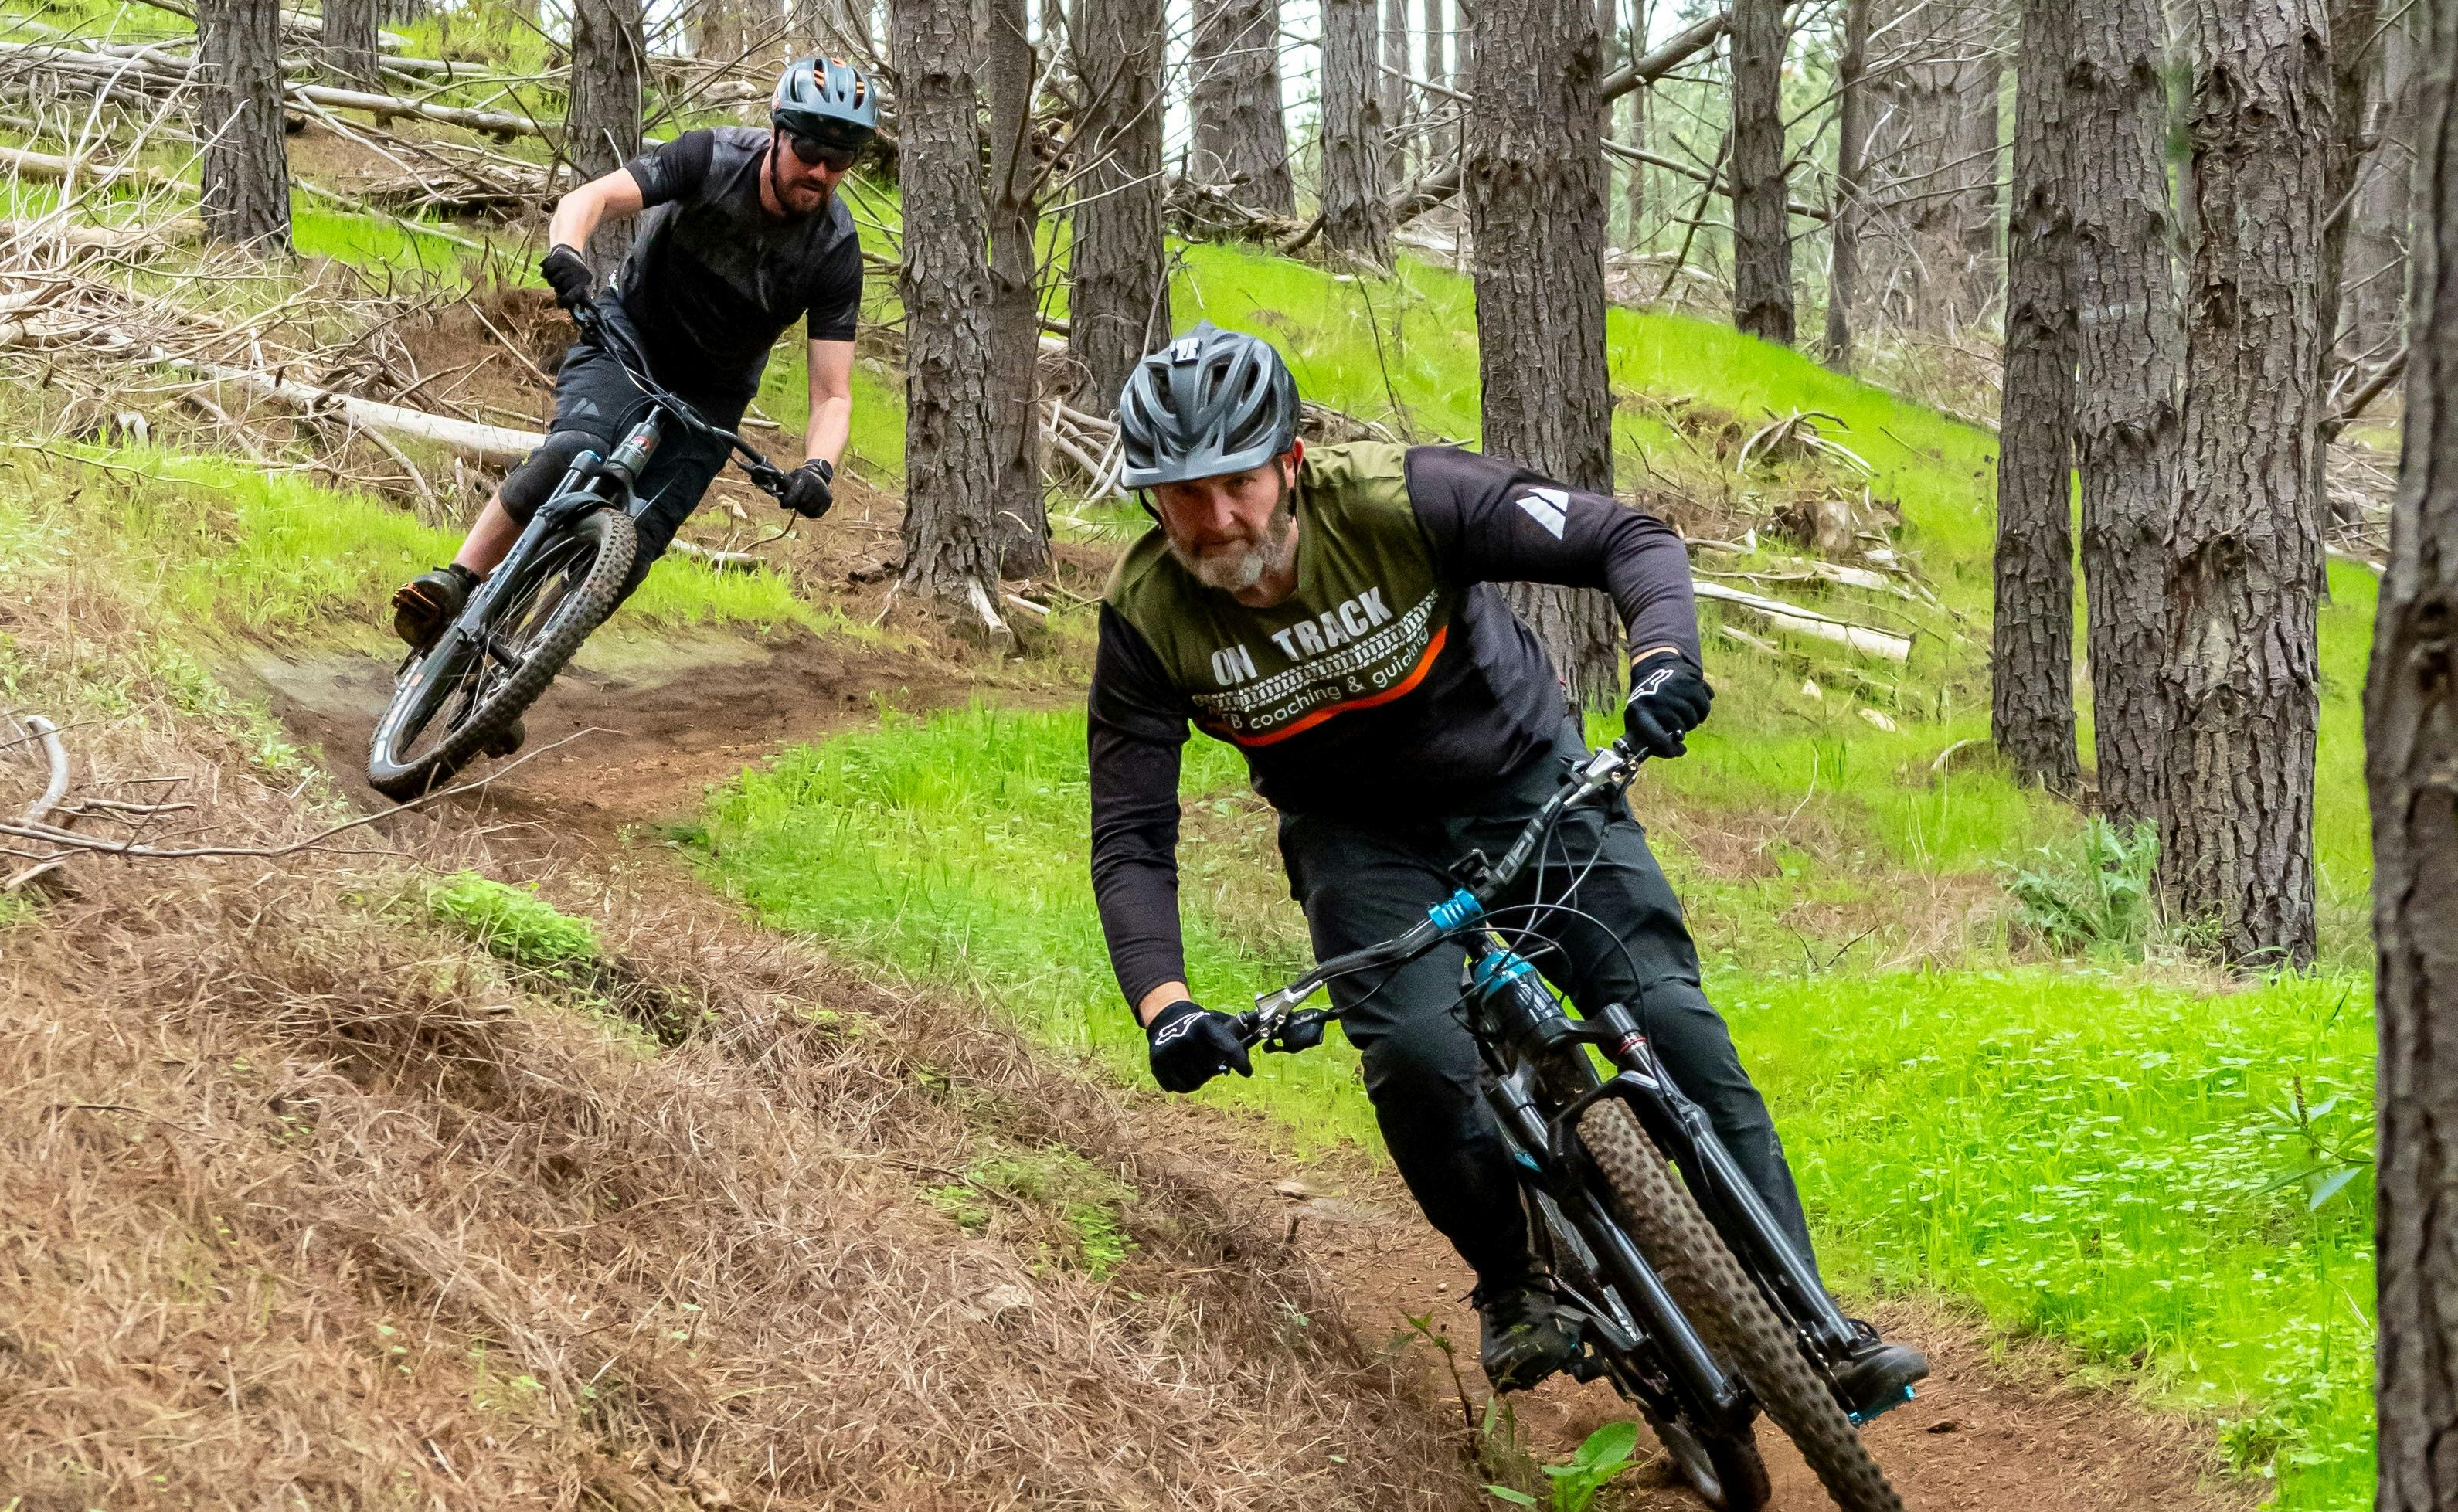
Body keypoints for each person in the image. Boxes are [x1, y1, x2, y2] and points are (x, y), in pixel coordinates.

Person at [1085, 322, 1928, 1411]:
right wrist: (1166, 1006)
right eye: (1180, 495)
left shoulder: (1405, 499)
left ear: (1289, 460)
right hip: (1357, 835)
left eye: (1236, 482)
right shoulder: (1149, 618)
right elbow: (1132, 835)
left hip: (1522, 777)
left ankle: (1813, 1319)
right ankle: (1514, 1279)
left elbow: (1627, 538)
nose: (1214, 520)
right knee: (1423, 1062)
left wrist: (1664, 659)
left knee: (1670, 1023)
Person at [389, 56, 875, 687]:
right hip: (630, 337)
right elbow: (590, 198)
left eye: (840, 160)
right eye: (810, 148)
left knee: (636, 546)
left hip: (713, 394)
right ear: (779, 131)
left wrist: (818, 467)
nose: (820, 171)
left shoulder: (835, 251)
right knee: (574, 450)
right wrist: (567, 252)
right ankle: (456, 579)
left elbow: (833, 394)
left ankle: (521, 672)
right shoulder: (712, 157)